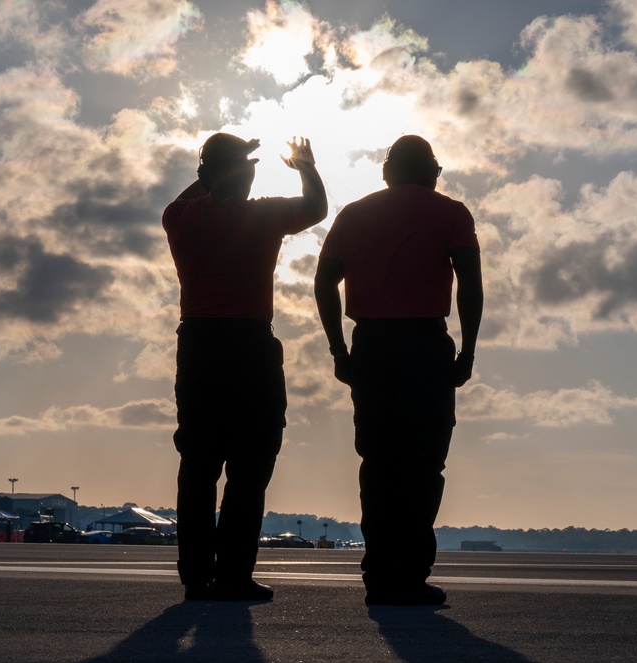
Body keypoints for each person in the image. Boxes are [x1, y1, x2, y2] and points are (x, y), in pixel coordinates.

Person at [315, 135, 483, 605]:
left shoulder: (354, 214)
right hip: (424, 346)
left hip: (370, 345)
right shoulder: (451, 213)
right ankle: (409, 574)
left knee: (379, 463)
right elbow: (470, 283)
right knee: (424, 465)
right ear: (432, 172)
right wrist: (467, 351)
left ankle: (379, 574)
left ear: (387, 173)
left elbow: (323, 282)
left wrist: (338, 350)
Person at [163, 132, 327, 602]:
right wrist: (306, 166)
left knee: (197, 466)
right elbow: (316, 208)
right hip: (248, 345)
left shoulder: (178, 217)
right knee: (250, 468)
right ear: (248, 173)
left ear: (204, 175)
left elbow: (187, 195)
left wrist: (211, 171)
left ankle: (195, 576)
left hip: (197, 345)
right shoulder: (264, 214)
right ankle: (233, 575)